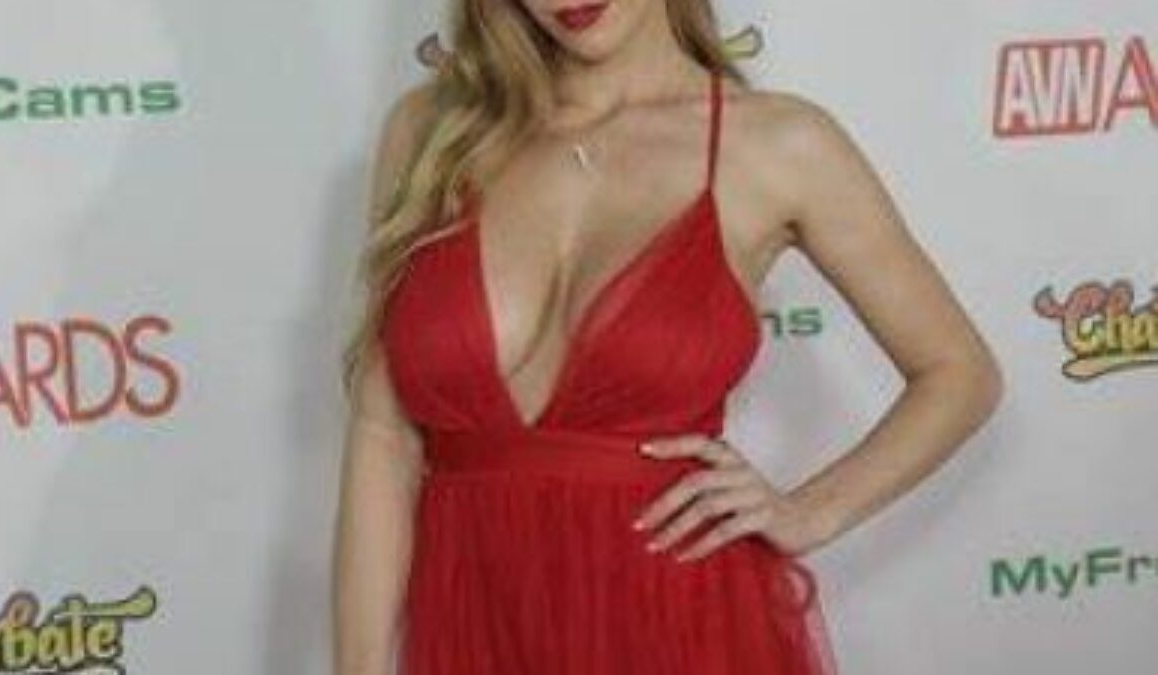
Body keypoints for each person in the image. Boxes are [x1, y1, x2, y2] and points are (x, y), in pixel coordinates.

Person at [332, 0, 1004, 673]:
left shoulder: (779, 146)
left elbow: (959, 372)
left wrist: (808, 512)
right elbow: (383, 432)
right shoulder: (433, 132)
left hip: (679, 618)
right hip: (476, 625)